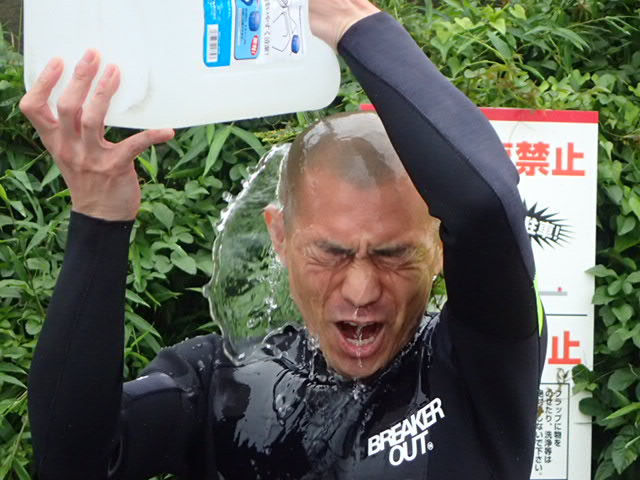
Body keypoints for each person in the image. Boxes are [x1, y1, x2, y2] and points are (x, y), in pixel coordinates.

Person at [24, 0, 547, 479]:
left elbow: (485, 206)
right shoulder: (221, 380)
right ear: (281, 236)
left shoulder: (476, 364)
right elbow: (72, 462)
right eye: (331, 253)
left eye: (393, 255)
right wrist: (99, 217)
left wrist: (351, 24)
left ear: (438, 248)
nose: (361, 290)